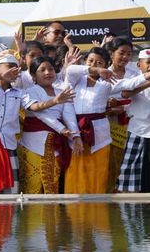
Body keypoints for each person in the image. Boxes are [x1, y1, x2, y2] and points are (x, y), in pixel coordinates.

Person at [0, 54, 74, 194]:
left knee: (8, 191)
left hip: (7, 143)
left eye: (16, 68)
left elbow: (35, 107)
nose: (14, 71)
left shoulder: (19, 92)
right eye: (10, 67)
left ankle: (6, 214)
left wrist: (55, 101)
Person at [19, 57, 79, 194]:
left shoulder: (61, 91)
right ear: (33, 75)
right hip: (33, 144)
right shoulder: (30, 91)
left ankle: (50, 215)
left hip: (55, 144)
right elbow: (40, 112)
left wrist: (76, 136)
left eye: (51, 69)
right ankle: (32, 215)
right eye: (42, 70)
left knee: (53, 181)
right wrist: (61, 128)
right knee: (33, 184)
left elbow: (69, 116)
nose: (48, 72)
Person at [63, 47, 117, 194]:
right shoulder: (76, 79)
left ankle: (96, 213)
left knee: (97, 174)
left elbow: (128, 86)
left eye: (100, 63)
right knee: (76, 172)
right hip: (76, 130)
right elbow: (70, 70)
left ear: (106, 65)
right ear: (85, 62)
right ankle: (75, 215)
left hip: (100, 135)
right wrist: (96, 70)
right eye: (91, 60)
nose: (94, 64)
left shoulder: (109, 82)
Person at [106, 37, 139, 192]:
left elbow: (142, 98)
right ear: (111, 53)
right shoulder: (103, 72)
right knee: (107, 158)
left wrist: (122, 108)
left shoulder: (135, 74)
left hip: (128, 122)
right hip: (105, 123)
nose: (125, 57)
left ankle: (122, 189)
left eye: (129, 54)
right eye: (122, 53)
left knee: (125, 157)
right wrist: (107, 103)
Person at [115, 49, 150, 192]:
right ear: (139, 65)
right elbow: (125, 93)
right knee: (129, 170)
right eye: (148, 63)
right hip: (138, 131)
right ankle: (130, 211)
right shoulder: (134, 80)